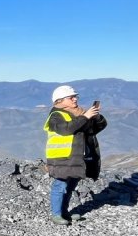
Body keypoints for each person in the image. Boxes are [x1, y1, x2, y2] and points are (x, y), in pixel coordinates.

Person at [43, 84, 107, 225]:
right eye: (71, 97)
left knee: (71, 185)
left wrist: (95, 117)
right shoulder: (56, 115)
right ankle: (56, 215)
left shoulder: (79, 113)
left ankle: (65, 213)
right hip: (61, 157)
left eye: (75, 96)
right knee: (60, 184)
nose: (74, 99)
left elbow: (96, 128)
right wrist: (85, 117)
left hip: (77, 157)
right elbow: (66, 129)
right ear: (60, 100)